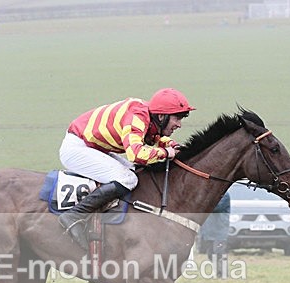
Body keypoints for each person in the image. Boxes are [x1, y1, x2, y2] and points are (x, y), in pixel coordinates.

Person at [57, 88, 196, 250]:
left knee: (135, 172)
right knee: (128, 179)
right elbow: (136, 154)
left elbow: (152, 137)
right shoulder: (137, 116)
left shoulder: (147, 116)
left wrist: (171, 145)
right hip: (77, 149)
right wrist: (165, 152)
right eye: (177, 118)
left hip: (93, 147)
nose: (179, 124)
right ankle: (75, 214)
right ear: (161, 116)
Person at [199, 191, 231, 278]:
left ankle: (222, 273)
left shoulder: (224, 195)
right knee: (210, 253)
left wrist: (202, 203)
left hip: (220, 230)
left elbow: (217, 208)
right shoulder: (209, 194)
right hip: (209, 230)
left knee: (219, 252)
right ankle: (217, 272)